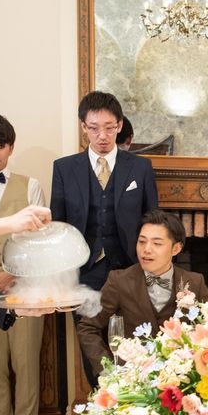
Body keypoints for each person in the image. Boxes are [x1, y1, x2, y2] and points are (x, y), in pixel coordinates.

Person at [77, 210, 208, 384]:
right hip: (133, 381)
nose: (146, 249)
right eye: (142, 241)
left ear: (176, 248)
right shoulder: (119, 281)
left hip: (181, 381)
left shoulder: (194, 282)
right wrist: (109, 371)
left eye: (157, 243)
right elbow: (87, 327)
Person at [50, 91, 158, 291]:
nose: (102, 136)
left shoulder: (141, 167)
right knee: (86, 314)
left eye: (109, 128)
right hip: (81, 269)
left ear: (119, 125)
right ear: (83, 126)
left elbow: (153, 219)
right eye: (93, 128)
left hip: (129, 266)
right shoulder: (64, 169)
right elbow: (58, 225)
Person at [0, 111, 48, 415]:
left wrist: (11, 273)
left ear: (10, 147)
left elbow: (40, 241)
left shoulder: (30, 185)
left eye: (1, 146)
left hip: (24, 290)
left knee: (26, 362)